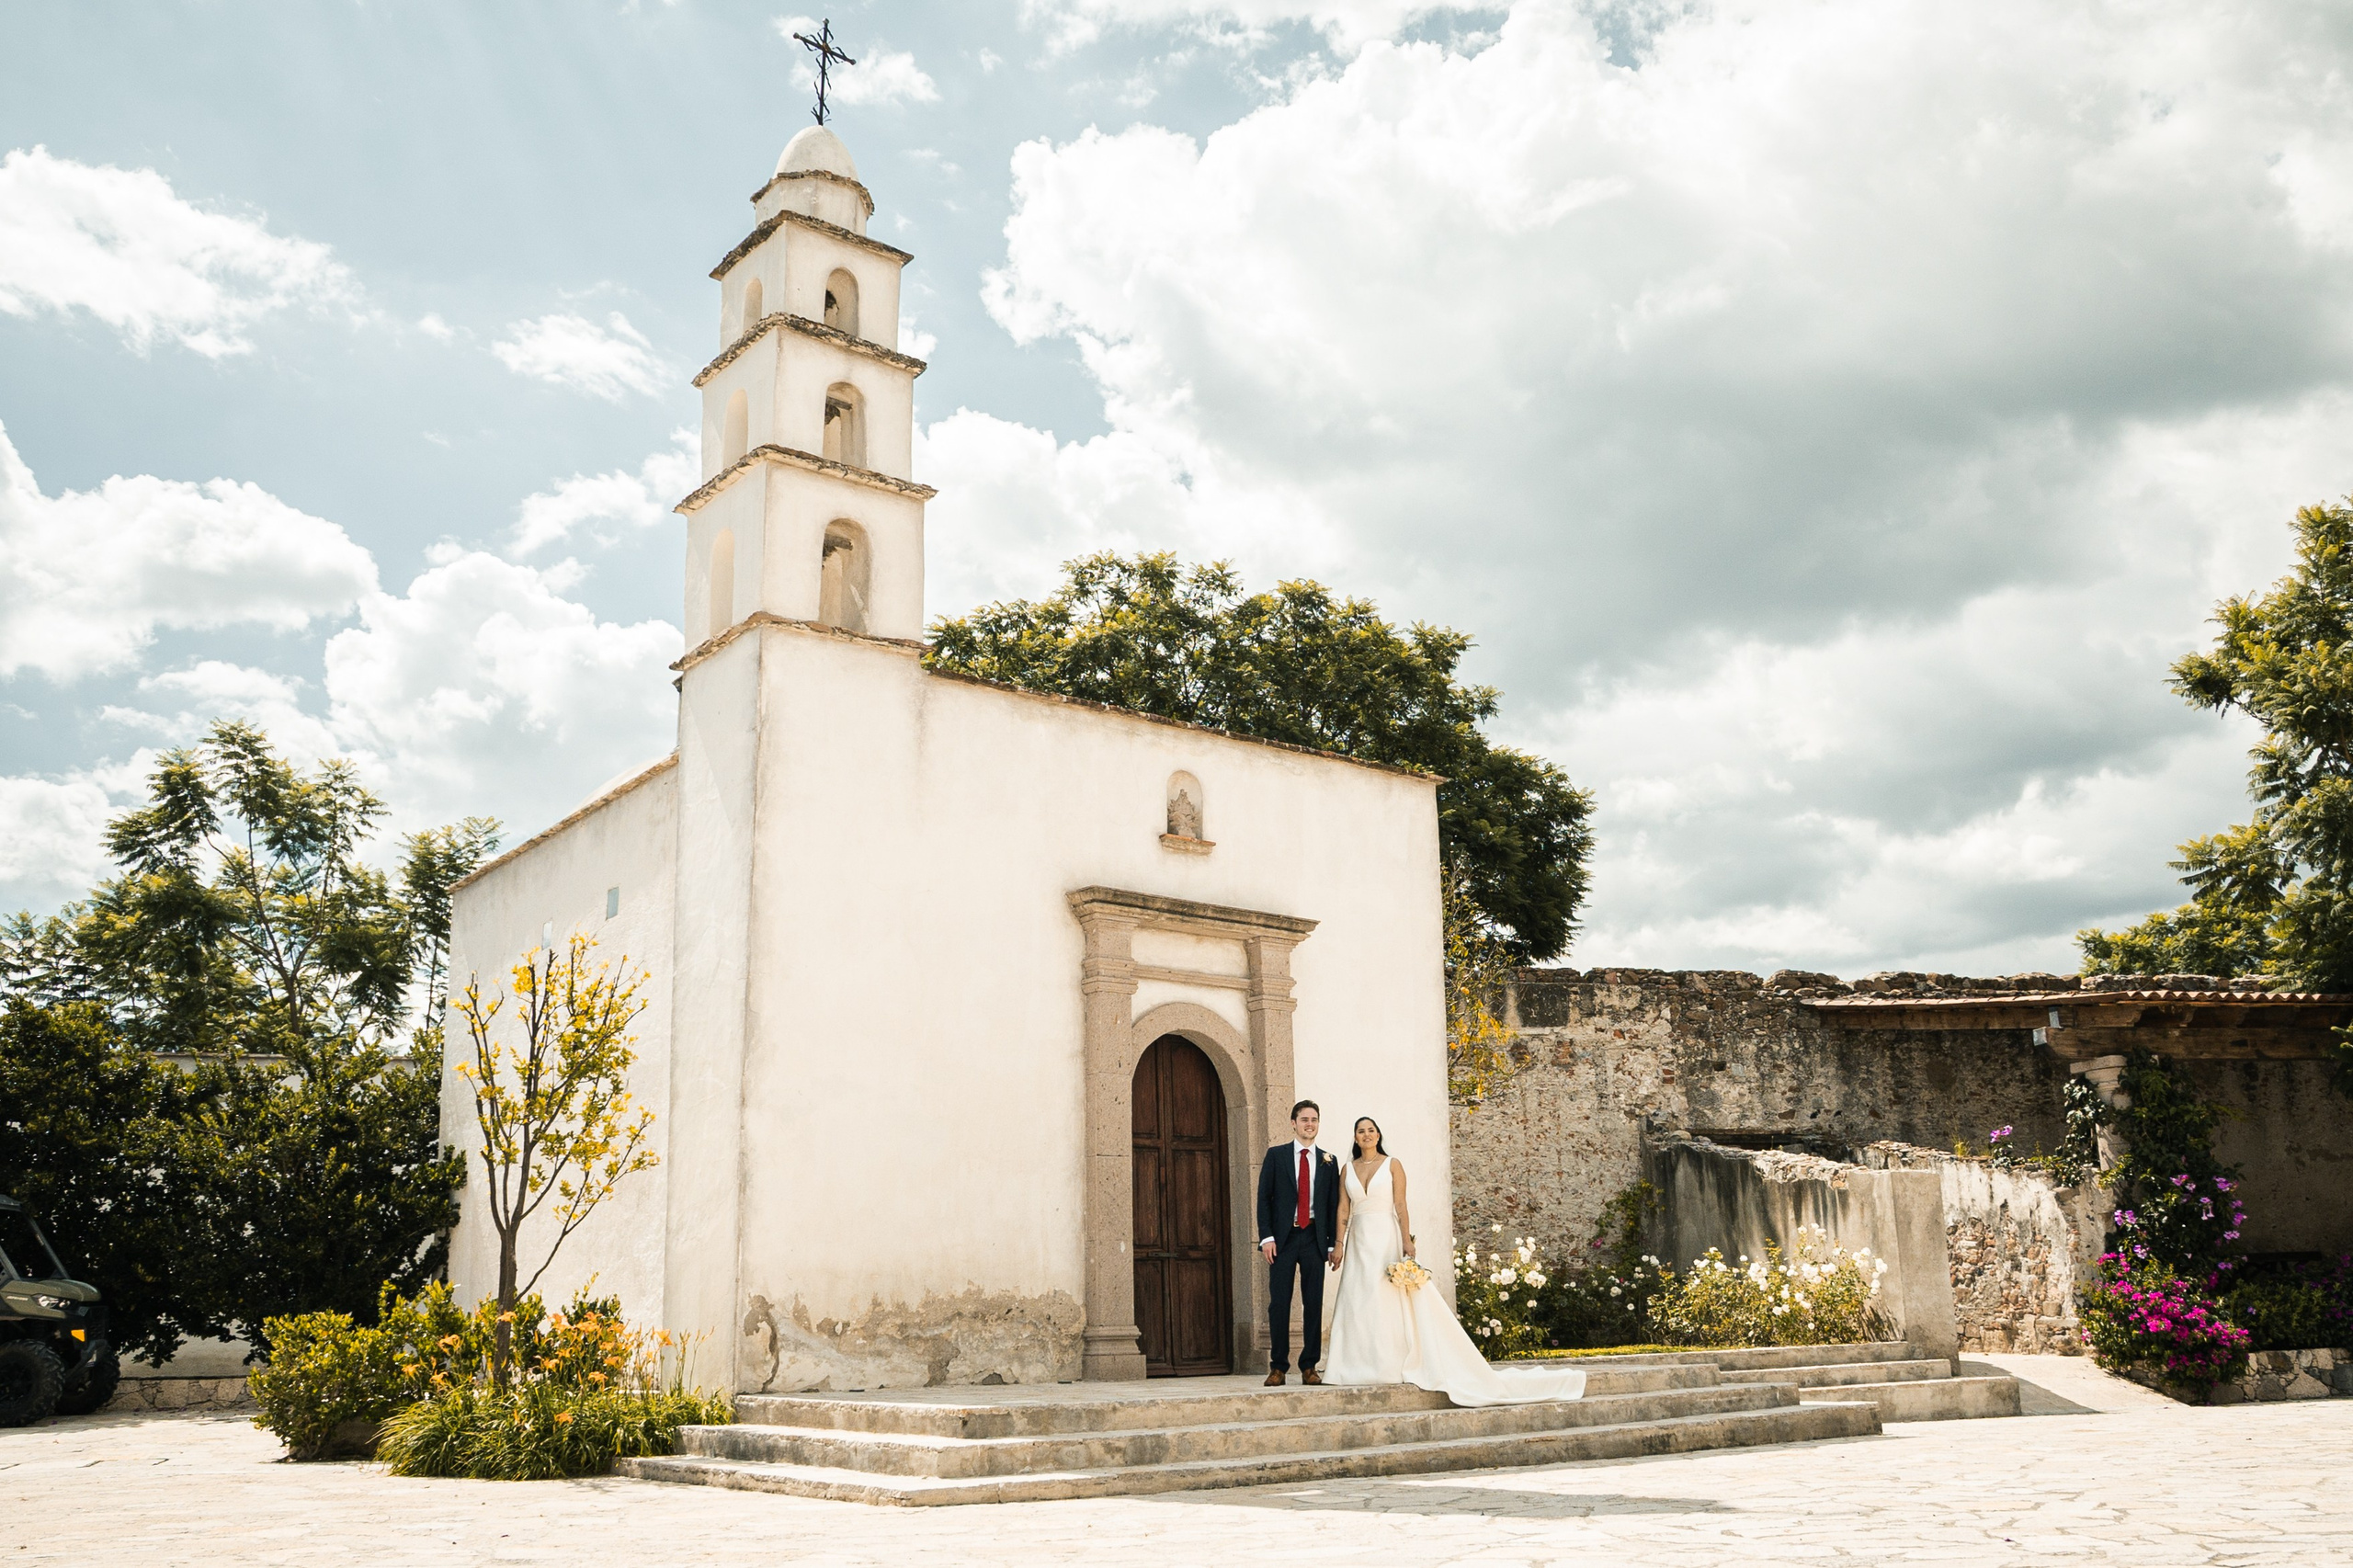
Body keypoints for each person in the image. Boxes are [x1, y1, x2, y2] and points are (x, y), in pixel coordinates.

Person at [1321, 1115, 1586, 1407]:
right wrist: (1339, 1243)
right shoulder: (1347, 1169)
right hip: (1359, 1239)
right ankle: (1352, 1365)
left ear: (1378, 1135)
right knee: (1358, 1297)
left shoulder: (1393, 1164)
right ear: (1355, 1138)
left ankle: (1389, 1363)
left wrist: (1407, 1240)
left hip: (1386, 1237)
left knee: (1386, 1296)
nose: (1367, 1135)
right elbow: (1343, 1208)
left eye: (1371, 1130)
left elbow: (1400, 1205)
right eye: (1361, 1131)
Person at [1255, 1099, 1341, 1385]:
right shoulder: (1276, 1156)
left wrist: (1331, 1244)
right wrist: (1266, 1237)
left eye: (1314, 1119)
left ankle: (1309, 1366)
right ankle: (1278, 1366)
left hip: (1314, 1237)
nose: (1309, 1124)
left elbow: (1332, 1204)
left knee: (1313, 1302)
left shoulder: (1329, 1161)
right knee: (1279, 1302)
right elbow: (1264, 1199)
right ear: (1293, 1123)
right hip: (1283, 1239)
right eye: (1304, 1119)